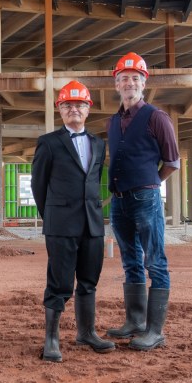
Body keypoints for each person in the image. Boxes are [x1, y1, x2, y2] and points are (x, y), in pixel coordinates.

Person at [32, 80, 115, 362]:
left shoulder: (98, 143)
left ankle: (87, 333)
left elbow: (94, 182)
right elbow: (38, 186)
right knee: (60, 283)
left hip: (92, 224)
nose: (74, 110)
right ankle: (51, 339)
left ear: (88, 109)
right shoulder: (48, 143)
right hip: (61, 225)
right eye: (68, 105)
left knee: (89, 280)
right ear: (60, 109)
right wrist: (53, 217)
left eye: (79, 105)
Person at [106, 53, 180, 351]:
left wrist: (151, 186)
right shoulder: (113, 121)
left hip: (145, 197)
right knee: (130, 260)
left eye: (135, 78)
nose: (129, 83)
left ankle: (155, 330)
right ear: (117, 84)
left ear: (144, 83)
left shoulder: (157, 117)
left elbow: (172, 162)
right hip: (119, 200)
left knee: (155, 260)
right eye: (124, 78)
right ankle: (135, 322)